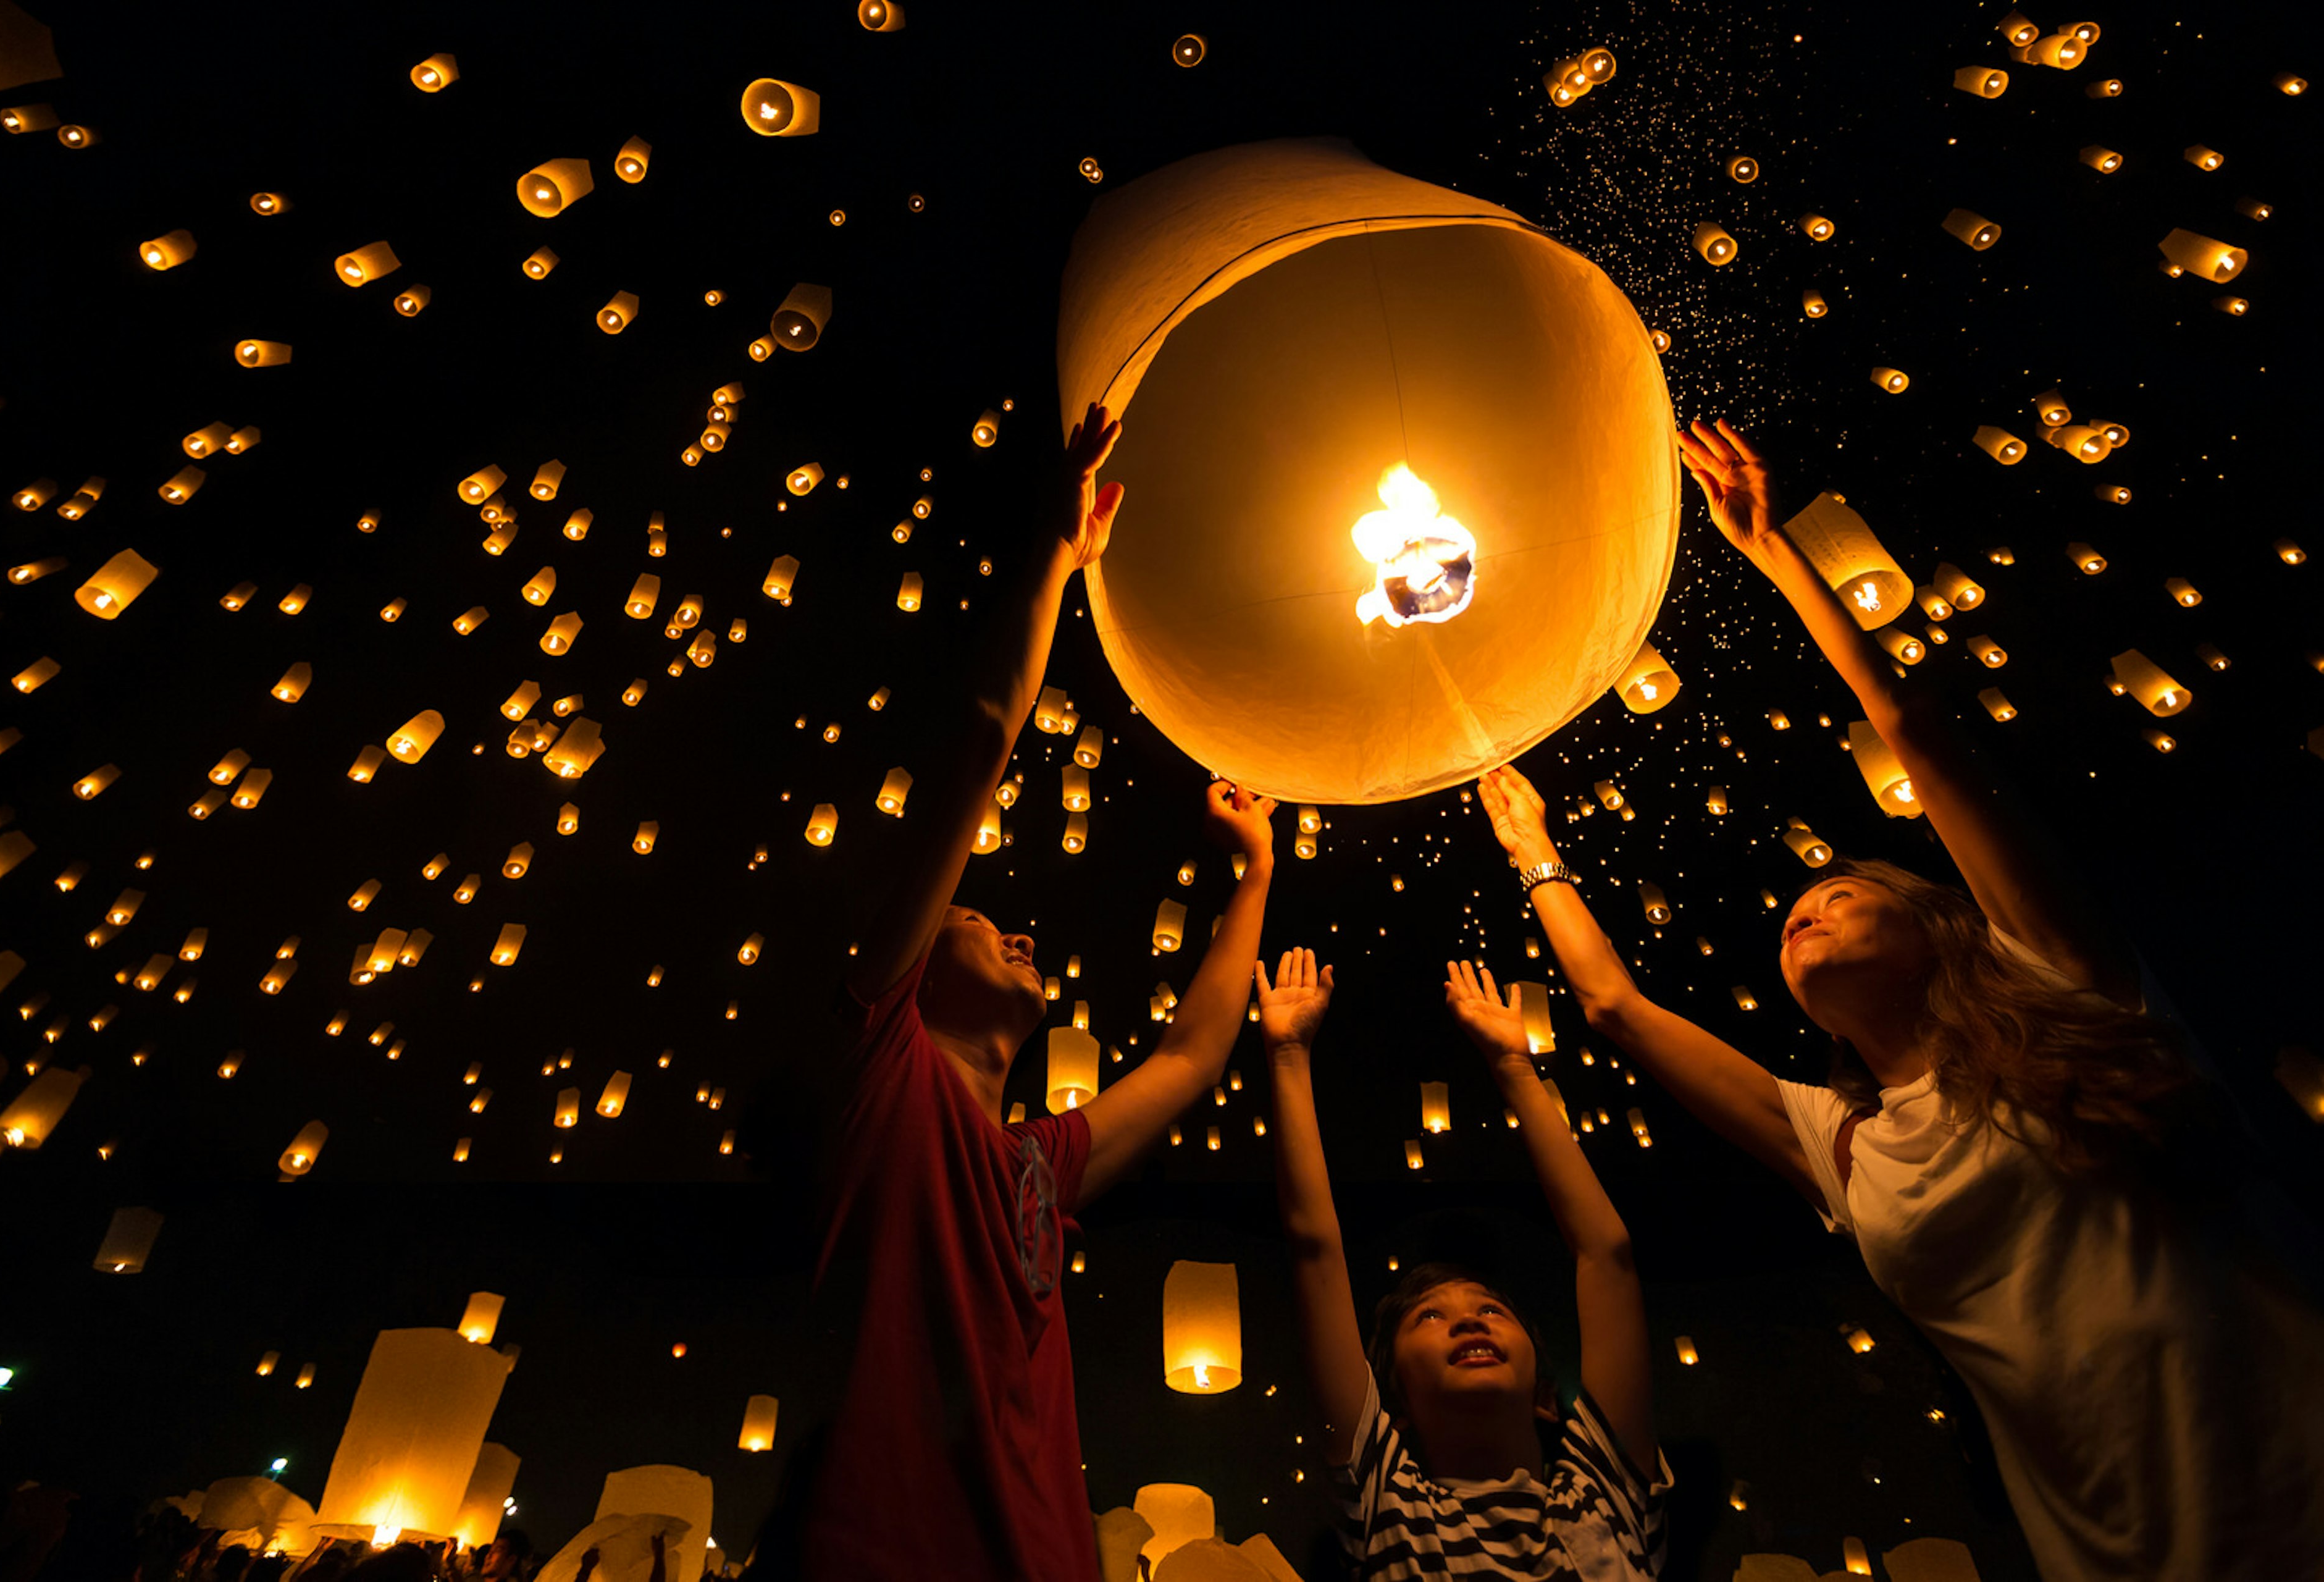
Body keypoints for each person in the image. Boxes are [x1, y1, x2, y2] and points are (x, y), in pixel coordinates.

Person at [1469, 419, 2324, 1580]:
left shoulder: (2066, 986)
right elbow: (1614, 1006)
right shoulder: (1843, 1141)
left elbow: (1916, 737)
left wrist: (1776, 554)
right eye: (1791, 918)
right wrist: (1532, 849)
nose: (1799, 910)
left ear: (1935, 920)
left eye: (1837, 888)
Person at [779, 404, 1283, 1580]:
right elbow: (979, 742)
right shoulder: (878, 1067)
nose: (1008, 924)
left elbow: (1191, 1057)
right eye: (972, 917)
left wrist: (1257, 874)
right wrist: (1053, 559)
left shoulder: (1034, 1165)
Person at [1258, 947, 1669, 1579]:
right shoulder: (1389, 1505)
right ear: (1393, 1403)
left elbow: (1607, 1256)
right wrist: (1288, 1056)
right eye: (1429, 1316)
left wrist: (1516, 1067)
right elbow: (1316, 1248)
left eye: (1490, 1308)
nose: (1468, 1321)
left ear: (1544, 1396)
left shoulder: (1605, 1493)